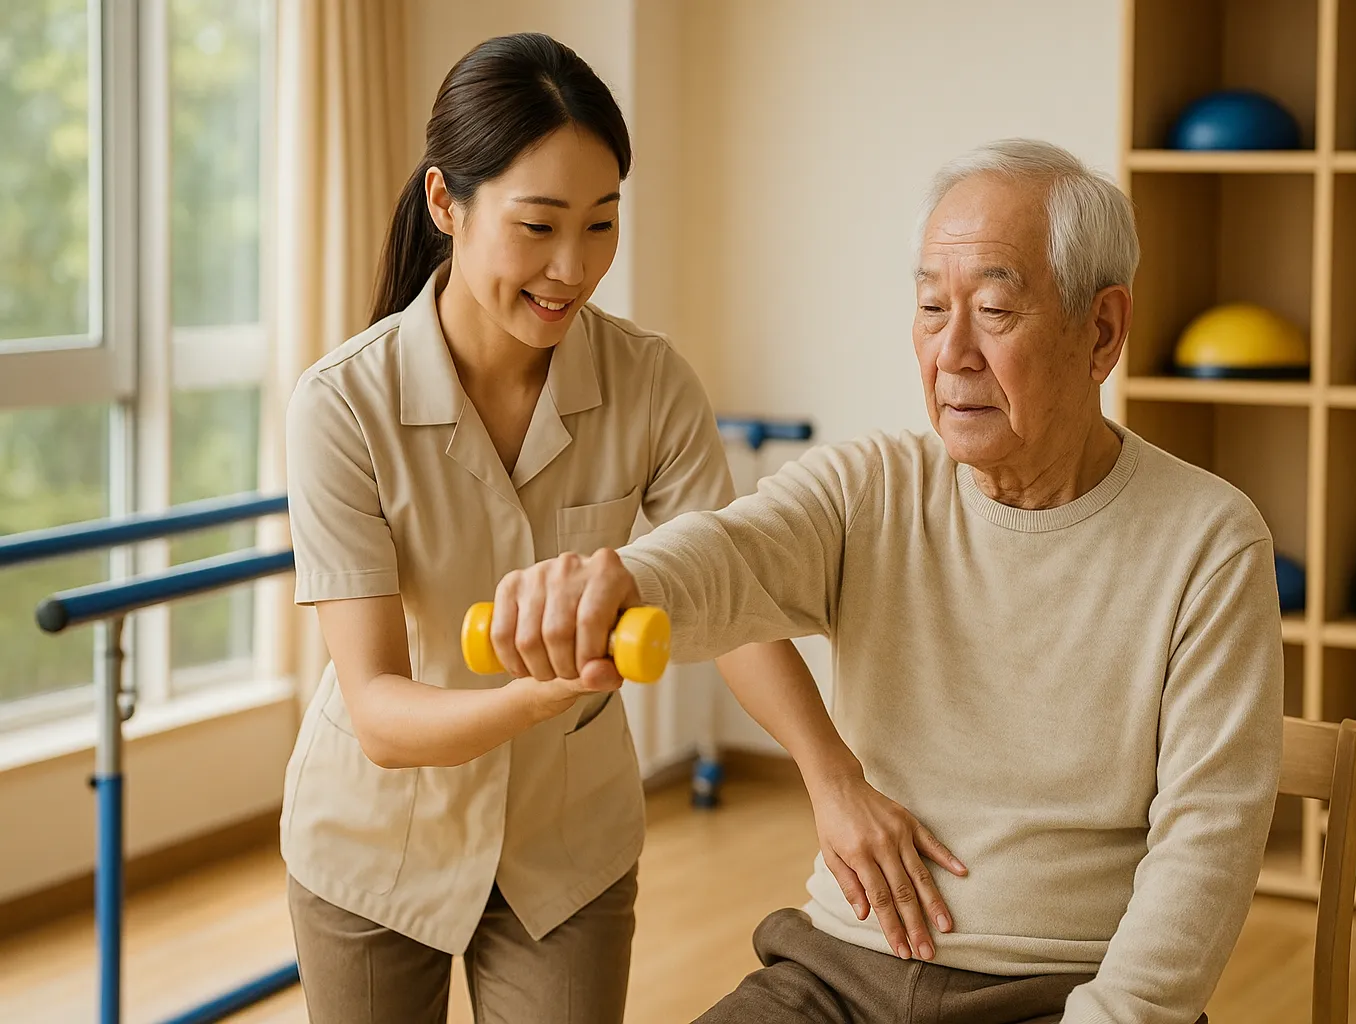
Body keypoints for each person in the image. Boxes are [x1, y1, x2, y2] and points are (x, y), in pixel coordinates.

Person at [483, 138, 1285, 1024]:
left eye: (994, 310)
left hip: (1059, 994)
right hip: (833, 973)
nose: (953, 353)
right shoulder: (872, 487)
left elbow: (1206, 846)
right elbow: (727, 556)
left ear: (1100, 331)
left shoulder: (1208, 541)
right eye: (932, 309)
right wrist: (616, 585)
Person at [279, 33, 959, 1024]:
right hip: (372, 849)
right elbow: (380, 710)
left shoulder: (648, 382)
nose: (573, 268)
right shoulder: (342, 404)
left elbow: (732, 597)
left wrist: (833, 775)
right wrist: (544, 687)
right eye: (539, 226)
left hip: (568, 852)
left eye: (601, 226)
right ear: (445, 205)